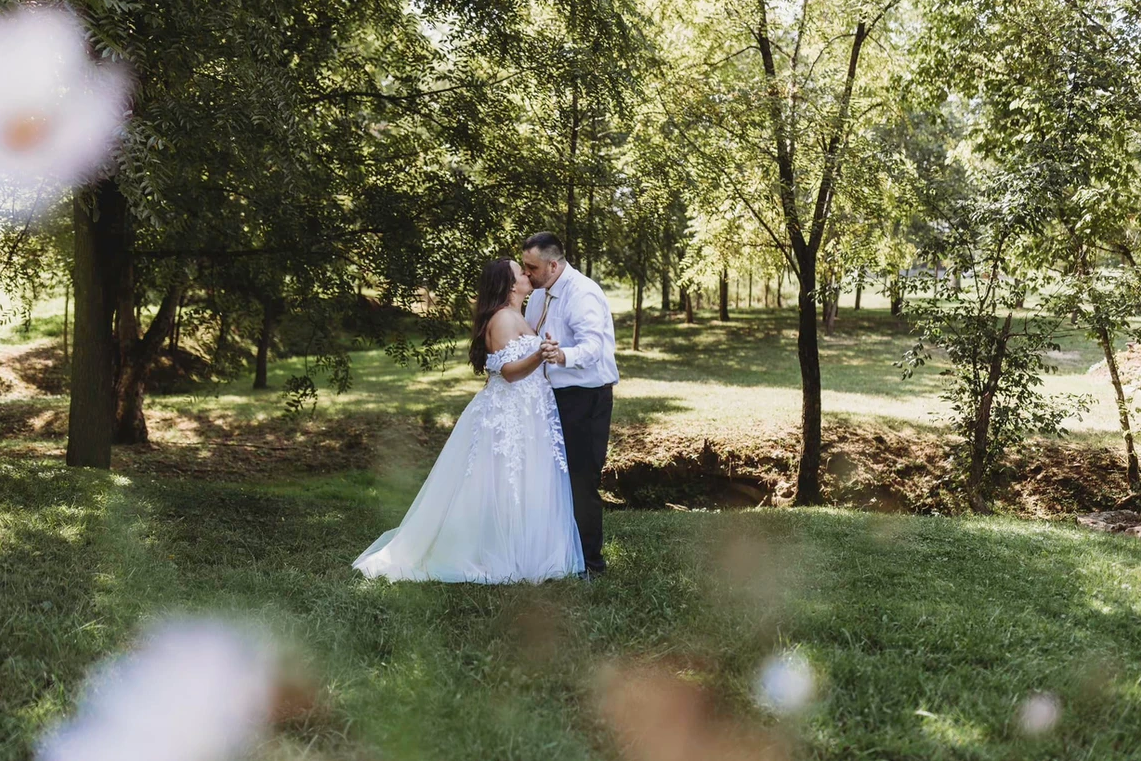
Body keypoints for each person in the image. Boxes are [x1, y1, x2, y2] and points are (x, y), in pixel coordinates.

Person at [352, 258, 584, 583]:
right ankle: (496, 551)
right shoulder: (503, 318)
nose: (527, 274)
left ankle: (528, 550)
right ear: (509, 284)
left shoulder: (518, 314)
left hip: (527, 410)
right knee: (505, 480)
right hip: (510, 412)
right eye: (521, 271)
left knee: (524, 479)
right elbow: (508, 373)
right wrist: (539, 354)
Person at [522, 232, 619, 578]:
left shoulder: (583, 293)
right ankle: (560, 557)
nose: (526, 273)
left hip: (586, 399)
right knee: (552, 481)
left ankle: (592, 565)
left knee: (581, 481)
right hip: (551, 399)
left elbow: (595, 347)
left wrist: (562, 354)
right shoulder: (537, 295)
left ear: (553, 264)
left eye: (531, 267)